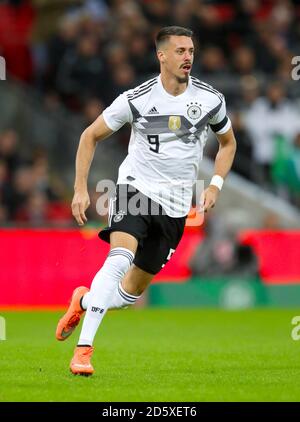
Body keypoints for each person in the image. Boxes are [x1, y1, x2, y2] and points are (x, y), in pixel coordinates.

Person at [55, 26, 237, 376]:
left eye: (191, 51)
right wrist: (80, 188)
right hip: (135, 190)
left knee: (129, 293)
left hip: (176, 207)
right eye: (180, 51)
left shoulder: (211, 99)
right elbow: (89, 135)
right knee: (119, 257)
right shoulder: (136, 99)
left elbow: (228, 143)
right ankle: (83, 351)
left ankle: (85, 300)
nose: (188, 57)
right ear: (162, 55)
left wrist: (214, 185)